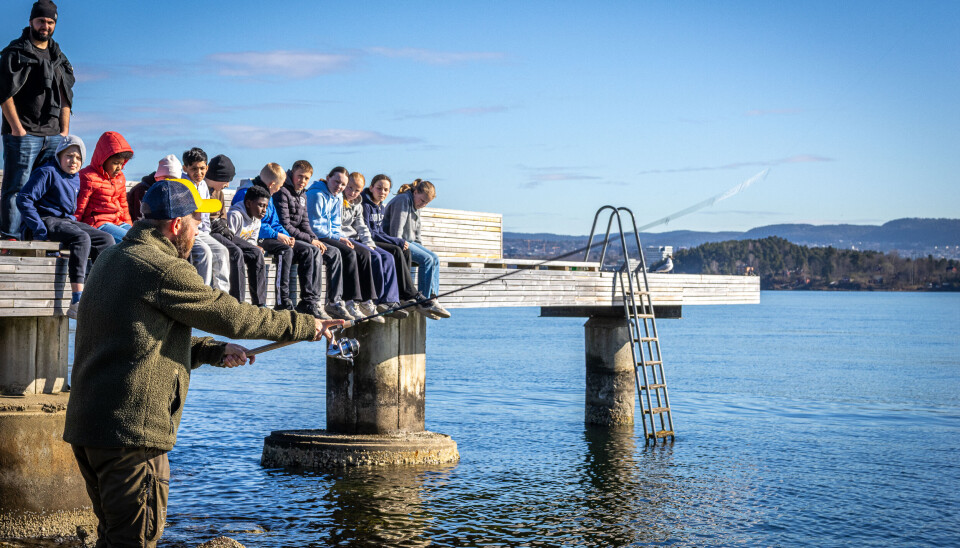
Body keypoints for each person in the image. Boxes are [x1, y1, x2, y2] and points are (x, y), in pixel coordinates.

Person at [63, 177, 342, 547]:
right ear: (176, 225)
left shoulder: (112, 258)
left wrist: (213, 351)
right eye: (196, 221)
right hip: (131, 436)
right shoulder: (162, 267)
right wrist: (308, 325)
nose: (200, 229)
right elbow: (234, 317)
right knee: (135, 540)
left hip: (90, 429)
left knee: (113, 537)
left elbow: (139, 342)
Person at [15, 135, 113, 318]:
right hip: (44, 219)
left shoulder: (75, 178)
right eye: (69, 156)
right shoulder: (47, 172)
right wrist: (39, 229)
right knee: (81, 238)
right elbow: (23, 198)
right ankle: (77, 299)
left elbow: (69, 213)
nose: (73, 161)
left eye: (77, 158)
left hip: (65, 222)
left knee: (105, 239)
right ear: (59, 155)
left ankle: (99, 293)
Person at [0, 0, 74, 240]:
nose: (45, 26)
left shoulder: (58, 57)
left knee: (45, 189)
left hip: (53, 136)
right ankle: (11, 239)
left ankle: (38, 237)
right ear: (31, 21)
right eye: (41, 20)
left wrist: (64, 131)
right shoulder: (14, 53)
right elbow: (4, 93)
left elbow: (65, 95)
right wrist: (17, 128)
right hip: (23, 133)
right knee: (16, 188)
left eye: (50, 22)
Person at [231, 163, 328, 319]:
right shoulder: (249, 194)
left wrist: (286, 236)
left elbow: (275, 221)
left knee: (307, 250)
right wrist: (277, 236)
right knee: (285, 250)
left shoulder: (268, 194)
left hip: (272, 235)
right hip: (254, 237)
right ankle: (282, 300)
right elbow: (253, 223)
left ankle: (309, 302)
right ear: (272, 185)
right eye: (279, 187)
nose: (279, 190)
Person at [272, 160, 349, 320]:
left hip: (299, 236)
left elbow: (305, 223)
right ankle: (309, 301)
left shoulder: (303, 194)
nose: (302, 181)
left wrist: (314, 238)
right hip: (284, 237)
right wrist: (311, 240)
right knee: (311, 250)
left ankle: (328, 302)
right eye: (300, 176)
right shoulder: (283, 192)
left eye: (306, 178)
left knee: (331, 251)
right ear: (292, 174)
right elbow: (285, 224)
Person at [306, 167, 379, 321]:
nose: (339, 186)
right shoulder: (316, 194)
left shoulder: (338, 197)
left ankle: (364, 300)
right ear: (328, 178)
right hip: (317, 235)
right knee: (347, 253)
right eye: (336, 181)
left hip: (331, 234)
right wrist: (337, 237)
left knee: (364, 252)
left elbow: (335, 224)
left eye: (343, 184)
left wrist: (340, 236)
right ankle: (343, 301)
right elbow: (314, 226)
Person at [360, 174, 437, 318]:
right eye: (379, 188)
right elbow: (375, 232)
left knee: (424, 255)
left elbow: (381, 231)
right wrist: (397, 241)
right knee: (397, 250)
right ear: (371, 188)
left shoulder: (379, 206)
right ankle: (414, 296)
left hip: (382, 239)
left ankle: (419, 296)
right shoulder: (365, 205)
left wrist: (406, 244)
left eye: (386, 190)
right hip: (366, 240)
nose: (382, 192)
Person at [383, 178, 451, 318]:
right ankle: (424, 301)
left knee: (434, 258)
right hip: (395, 241)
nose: (423, 204)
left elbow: (417, 233)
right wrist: (404, 246)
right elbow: (396, 232)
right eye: (422, 200)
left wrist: (421, 248)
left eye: (427, 203)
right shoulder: (403, 200)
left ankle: (433, 298)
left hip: (410, 241)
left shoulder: (415, 205)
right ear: (415, 192)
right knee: (426, 259)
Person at [342, 172, 404, 320]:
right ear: (371, 188)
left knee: (388, 256)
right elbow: (338, 225)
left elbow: (361, 226)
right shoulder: (348, 201)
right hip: (343, 238)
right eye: (349, 188)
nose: (353, 192)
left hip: (359, 238)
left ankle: (389, 299)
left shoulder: (360, 203)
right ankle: (374, 300)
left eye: (357, 190)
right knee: (374, 256)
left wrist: (368, 242)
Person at [182, 147, 229, 291]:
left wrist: (207, 234)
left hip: (201, 232)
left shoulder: (203, 186)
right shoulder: (182, 186)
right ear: (185, 168)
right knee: (204, 252)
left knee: (222, 251)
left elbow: (206, 216)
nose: (199, 173)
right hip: (187, 231)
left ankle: (222, 295)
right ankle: (203, 292)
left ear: (207, 167)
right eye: (194, 169)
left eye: (202, 168)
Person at [204, 154, 249, 303]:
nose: (227, 185)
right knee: (235, 252)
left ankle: (250, 302)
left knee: (253, 251)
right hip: (209, 232)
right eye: (226, 180)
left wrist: (223, 225)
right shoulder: (203, 189)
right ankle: (235, 301)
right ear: (217, 177)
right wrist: (217, 224)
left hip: (220, 230)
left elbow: (223, 216)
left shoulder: (219, 193)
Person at [75, 131, 133, 241]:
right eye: (115, 163)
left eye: (121, 163)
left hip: (118, 222)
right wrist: (73, 231)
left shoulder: (120, 178)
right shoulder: (88, 177)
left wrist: (131, 227)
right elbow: (79, 207)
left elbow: (124, 207)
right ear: (103, 160)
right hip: (98, 224)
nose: (119, 168)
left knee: (141, 239)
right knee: (129, 241)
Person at [225, 184, 270, 306]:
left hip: (243, 249)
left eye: (266, 206)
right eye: (261, 205)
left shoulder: (257, 219)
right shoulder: (235, 215)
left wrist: (254, 246)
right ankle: (238, 302)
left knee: (257, 254)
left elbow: (251, 239)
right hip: (231, 250)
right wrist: (252, 247)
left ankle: (260, 304)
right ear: (249, 204)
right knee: (243, 253)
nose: (264, 210)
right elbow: (228, 238)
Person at [127, 154, 181, 222]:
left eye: (174, 181)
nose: (169, 183)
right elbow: (140, 219)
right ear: (157, 177)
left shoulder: (171, 192)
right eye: (166, 179)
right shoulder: (142, 191)